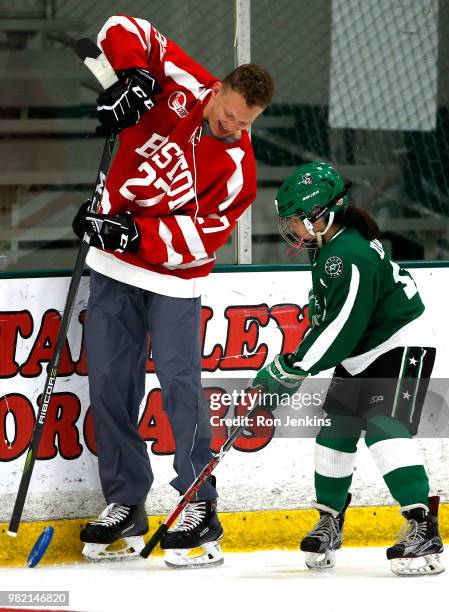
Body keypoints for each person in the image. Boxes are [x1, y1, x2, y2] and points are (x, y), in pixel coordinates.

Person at [72, 14, 274, 568]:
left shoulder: (239, 169)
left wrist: (131, 230)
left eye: (245, 122)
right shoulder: (185, 83)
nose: (233, 127)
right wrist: (135, 78)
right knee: (112, 382)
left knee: (179, 386)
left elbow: (201, 237)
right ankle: (126, 503)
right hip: (115, 268)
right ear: (219, 90)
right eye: (229, 114)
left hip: (173, 281)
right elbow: (126, 25)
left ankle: (197, 504)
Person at [254, 162, 444, 576]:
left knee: (383, 425)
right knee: (336, 429)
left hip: (401, 342)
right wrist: (292, 366)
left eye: (297, 221)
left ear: (324, 214)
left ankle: (422, 527)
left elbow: (341, 329)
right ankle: (330, 520)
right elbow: (328, 320)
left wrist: (290, 368)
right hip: (364, 347)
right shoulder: (330, 245)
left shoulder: (349, 256)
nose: (293, 230)